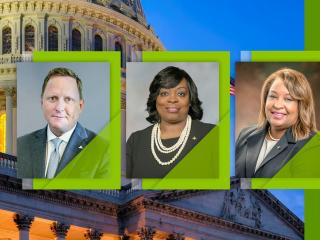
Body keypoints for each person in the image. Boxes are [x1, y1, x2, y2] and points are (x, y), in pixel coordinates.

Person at [126, 66, 215, 178]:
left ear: (191, 100)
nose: (172, 99)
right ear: (155, 100)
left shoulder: (213, 135)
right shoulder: (136, 141)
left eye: (181, 94)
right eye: (164, 93)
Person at [17, 67, 100, 178]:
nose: (59, 107)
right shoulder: (22, 145)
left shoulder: (102, 150)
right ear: (42, 103)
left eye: (68, 99)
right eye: (53, 98)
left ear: (80, 106)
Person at [236, 68, 317, 178]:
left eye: (288, 99)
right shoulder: (245, 135)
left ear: (302, 105)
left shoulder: (313, 146)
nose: (277, 105)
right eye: (273, 96)